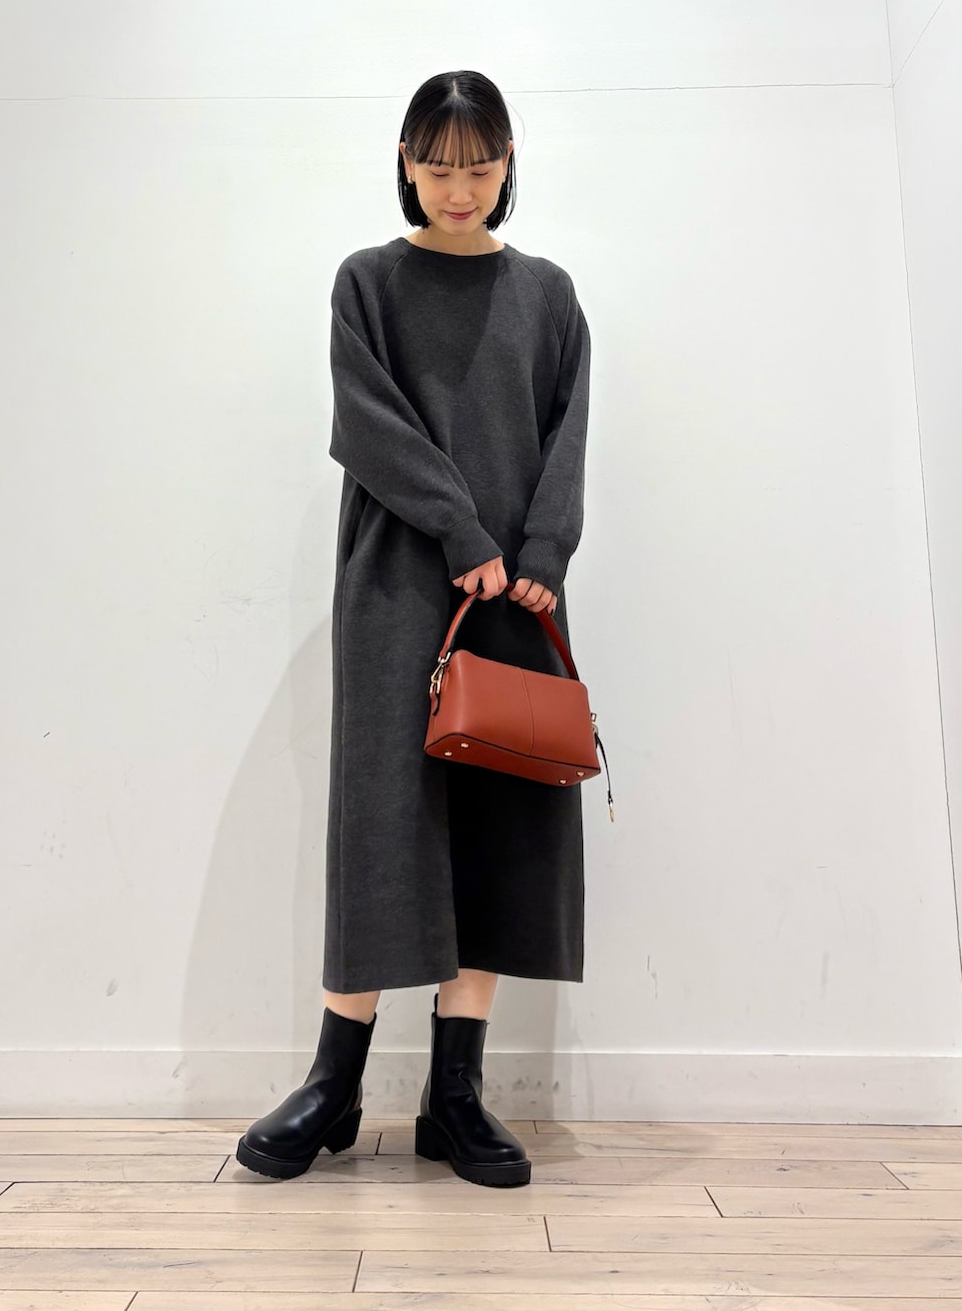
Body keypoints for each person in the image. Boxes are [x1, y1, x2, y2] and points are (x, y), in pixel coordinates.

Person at [237, 69, 591, 1189]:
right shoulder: (369, 282)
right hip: (398, 586)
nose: (459, 188)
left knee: (498, 825)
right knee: (385, 819)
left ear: (509, 161)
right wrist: (459, 529)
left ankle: (455, 1094)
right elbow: (367, 423)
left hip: (515, 599)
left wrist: (541, 554)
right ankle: (334, 1082)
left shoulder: (547, 293)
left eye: (479, 166)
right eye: (437, 167)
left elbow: (569, 430)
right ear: (404, 163)